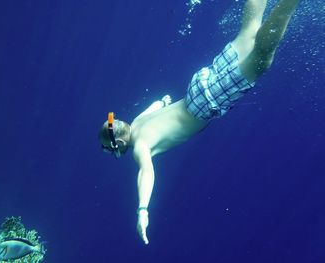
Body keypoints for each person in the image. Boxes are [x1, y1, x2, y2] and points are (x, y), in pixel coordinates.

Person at [99, 0, 300, 245]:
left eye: (109, 148)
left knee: (261, 57)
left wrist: (143, 210)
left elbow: (146, 172)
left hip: (205, 102)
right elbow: (158, 103)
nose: (111, 152)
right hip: (200, 82)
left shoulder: (140, 144)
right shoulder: (137, 120)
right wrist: (164, 100)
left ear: (119, 141)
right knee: (248, 31)